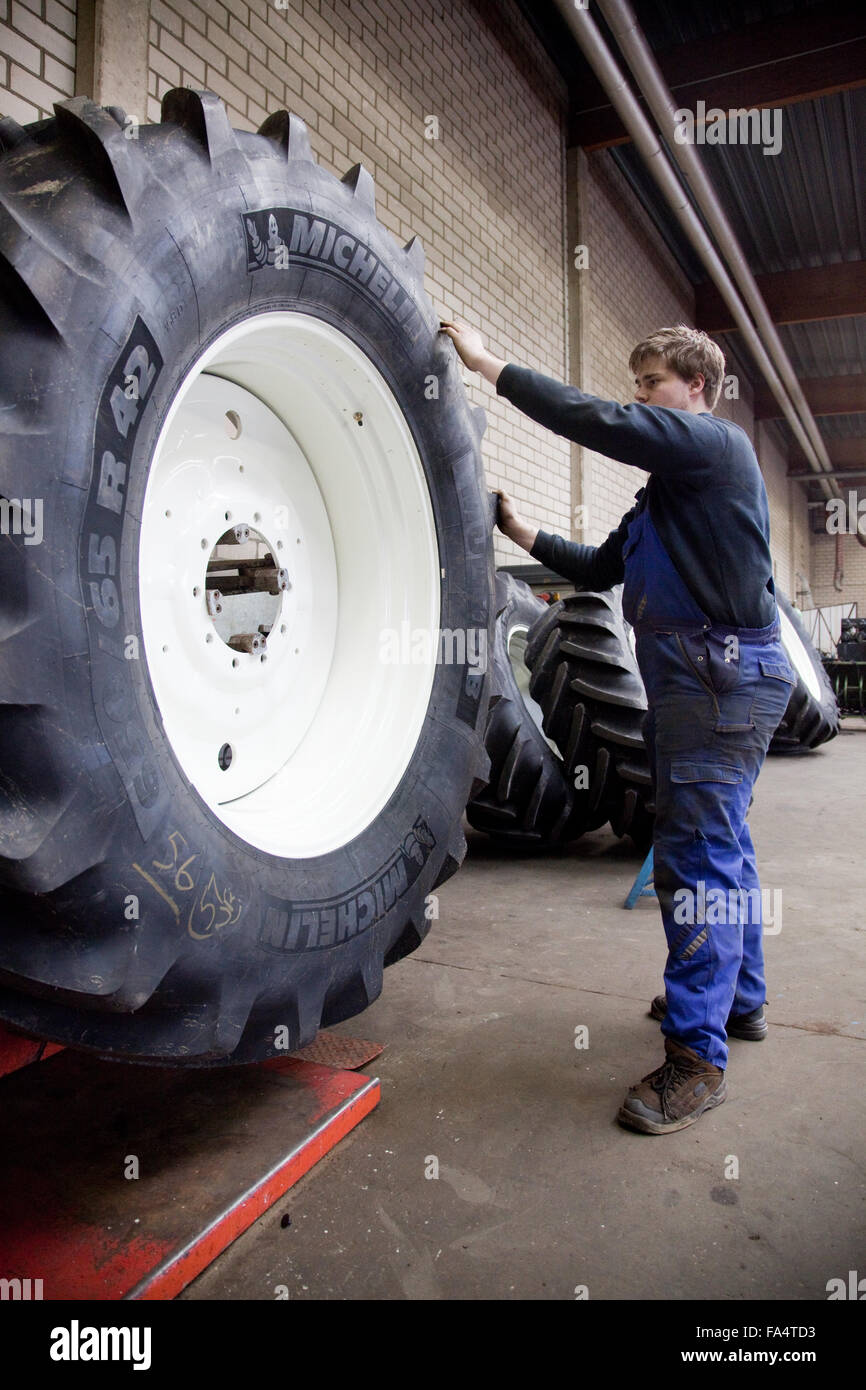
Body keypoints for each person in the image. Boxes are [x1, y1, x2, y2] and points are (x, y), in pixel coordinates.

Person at [439, 319, 795, 1135]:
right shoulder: (662, 506)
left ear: (696, 389)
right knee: (722, 843)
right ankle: (742, 1002)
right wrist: (519, 530)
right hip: (701, 680)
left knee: (694, 856)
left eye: (653, 383)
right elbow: (599, 567)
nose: (642, 398)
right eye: (637, 384)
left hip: (720, 681)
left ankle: (697, 1059)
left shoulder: (716, 447)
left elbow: (598, 422)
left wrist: (490, 363)